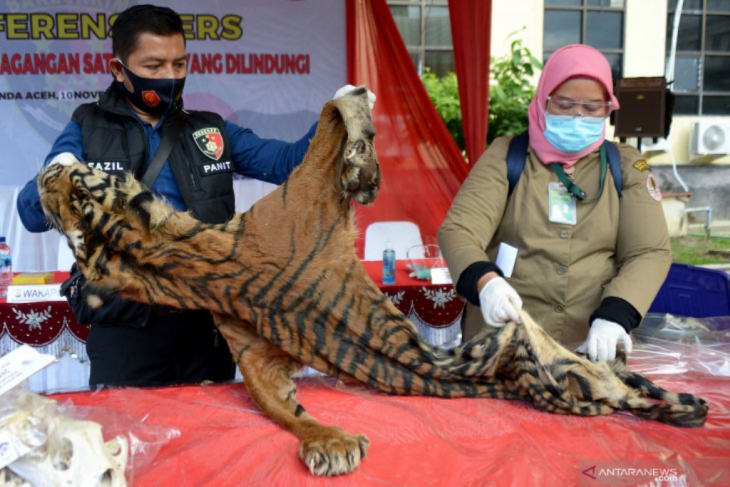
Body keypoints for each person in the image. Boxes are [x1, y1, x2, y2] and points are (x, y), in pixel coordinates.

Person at [16, 4, 372, 388]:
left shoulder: (212, 131)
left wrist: (337, 124)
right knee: (126, 441)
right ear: (119, 70)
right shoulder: (87, 127)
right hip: (127, 327)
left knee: (212, 440)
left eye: (179, 64)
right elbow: (32, 216)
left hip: (207, 325)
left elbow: (288, 163)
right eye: (154, 67)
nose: (170, 77)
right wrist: (55, 181)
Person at [438, 44, 671, 362]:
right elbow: (460, 230)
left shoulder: (627, 166)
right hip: (502, 345)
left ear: (608, 109)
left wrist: (617, 313)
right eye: (564, 105)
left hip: (588, 350)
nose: (578, 117)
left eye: (592, 108)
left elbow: (649, 251)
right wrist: (486, 283)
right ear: (543, 101)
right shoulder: (507, 156)